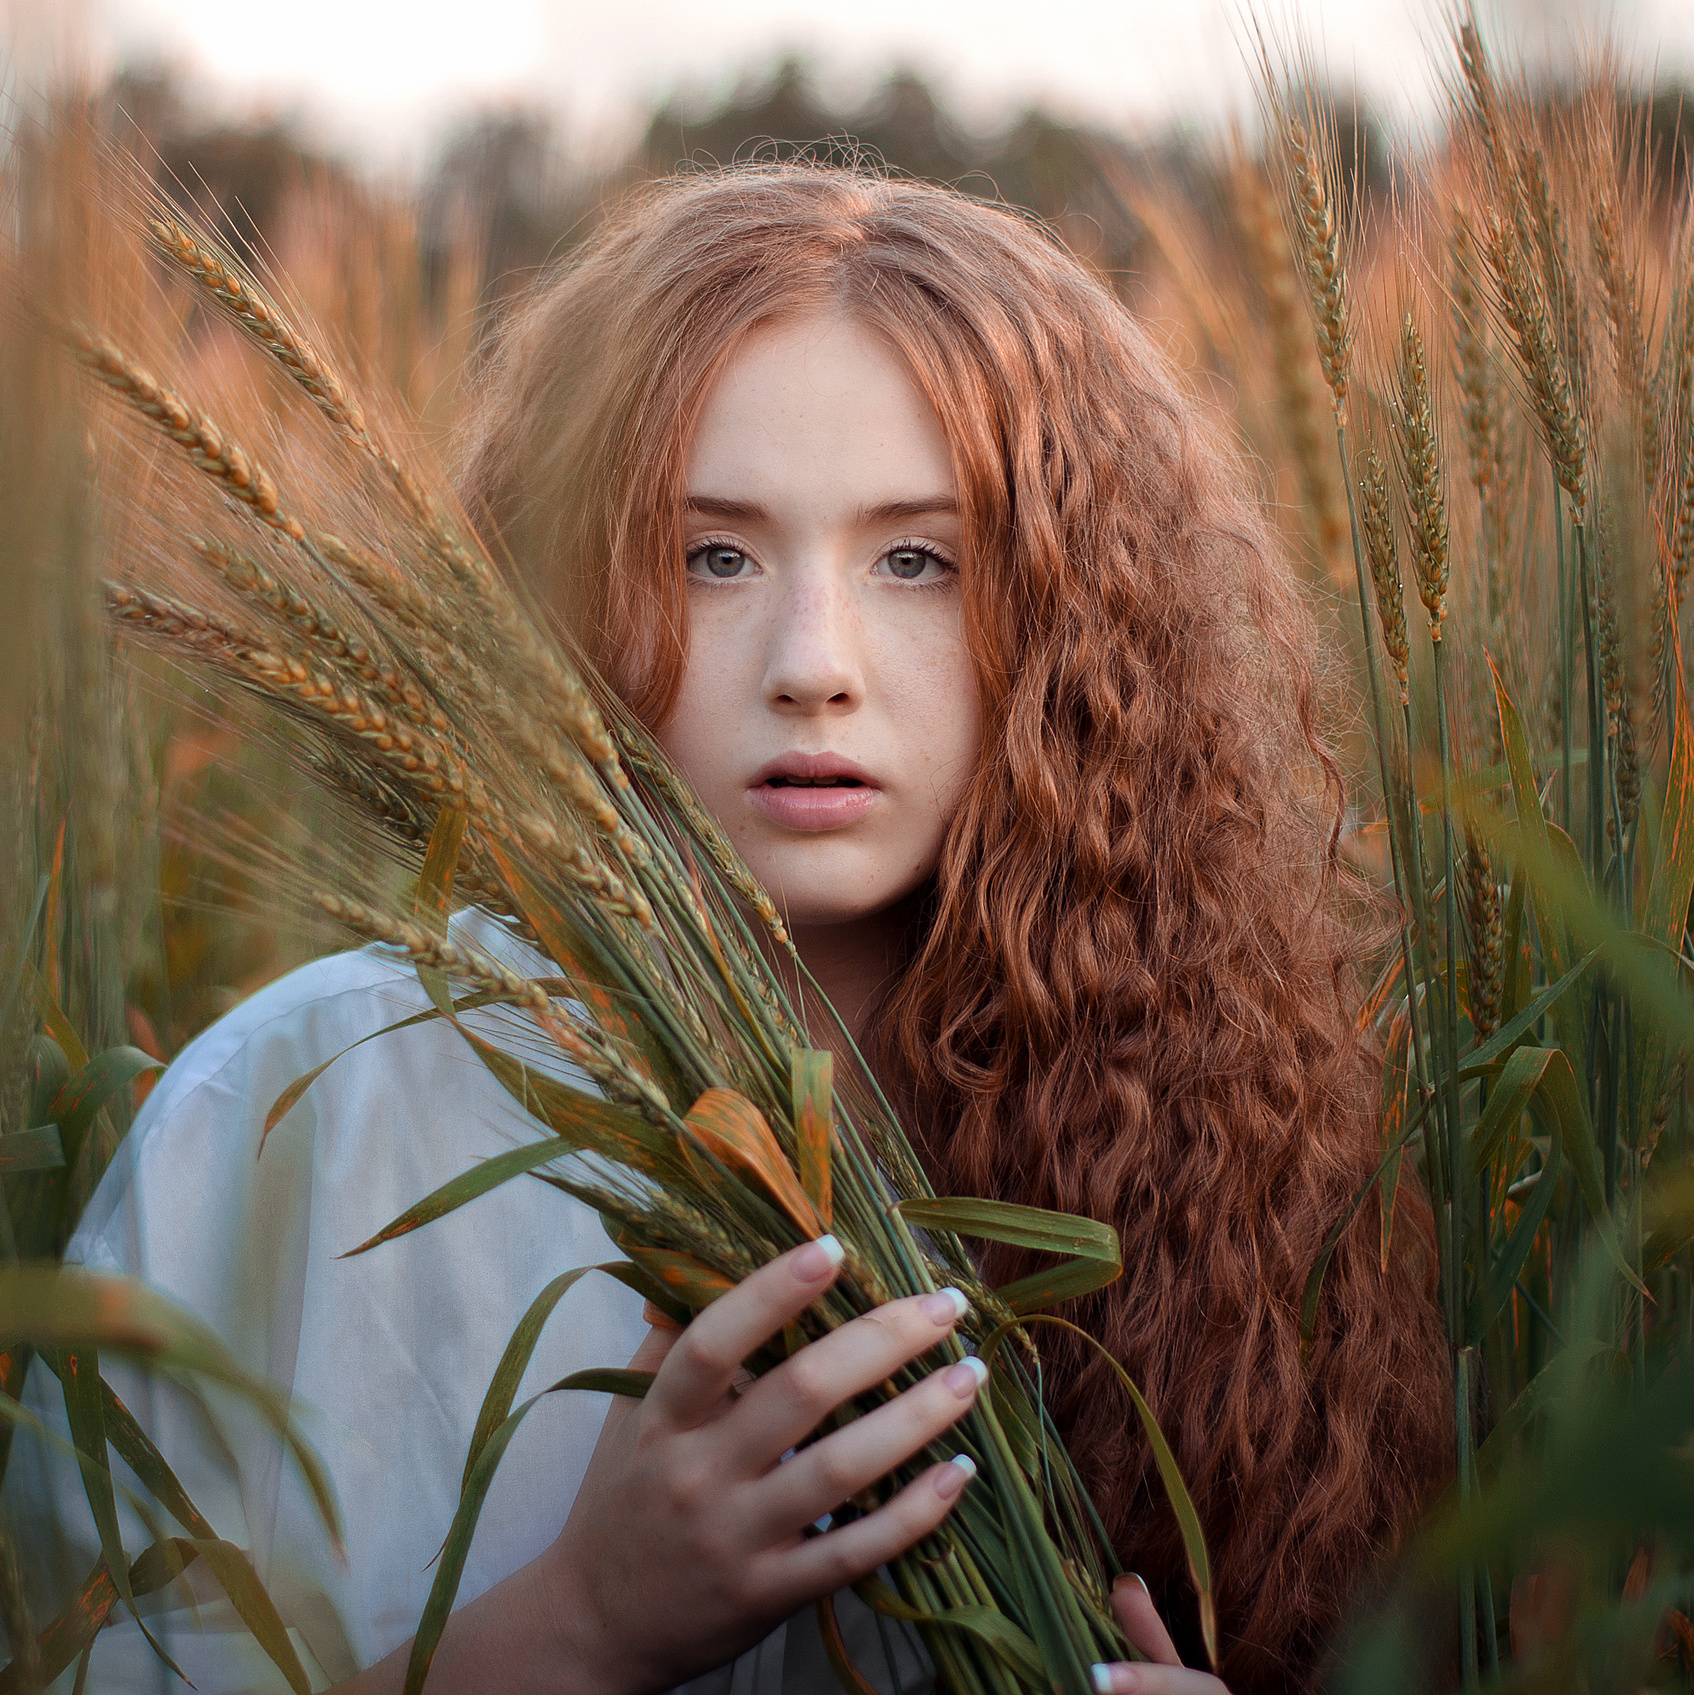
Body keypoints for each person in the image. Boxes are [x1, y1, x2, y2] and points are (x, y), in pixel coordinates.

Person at [14, 163, 1450, 1695]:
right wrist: (574, 1630)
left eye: (917, 559)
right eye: (713, 555)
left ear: (1074, 628)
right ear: (565, 586)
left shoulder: (1237, 1160)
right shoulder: (303, 1108)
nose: (811, 663)